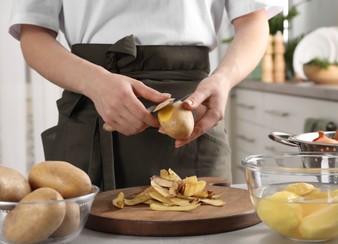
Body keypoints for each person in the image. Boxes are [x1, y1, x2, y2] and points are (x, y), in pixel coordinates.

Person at [9, 1, 283, 190]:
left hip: (190, 112)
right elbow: (33, 34)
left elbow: (253, 20)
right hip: (91, 106)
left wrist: (223, 81)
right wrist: (95, 83)